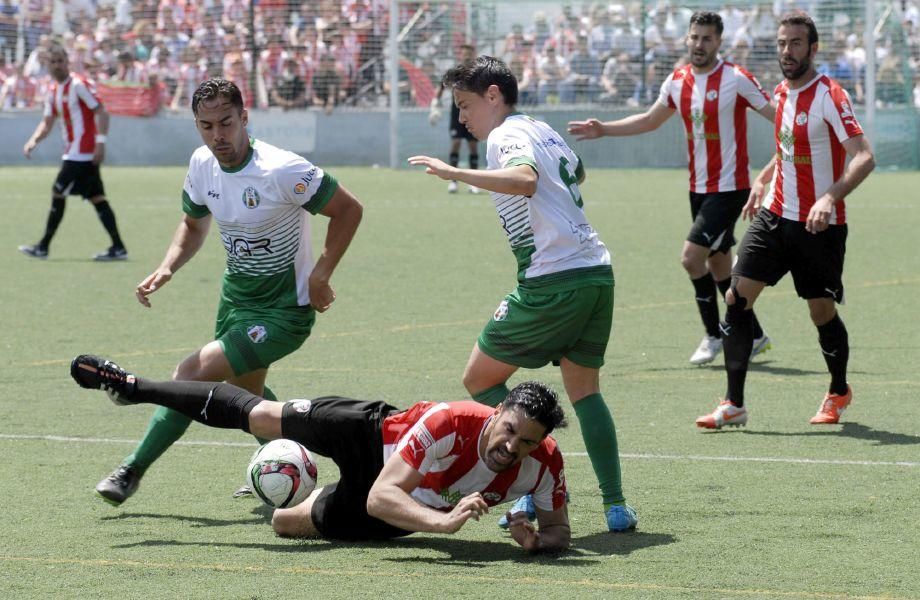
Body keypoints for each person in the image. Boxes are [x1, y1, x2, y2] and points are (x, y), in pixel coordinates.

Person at [94, 78, 363, 505]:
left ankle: (131, 468)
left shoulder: (281, 169)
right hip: (235, 301)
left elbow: (348, 209)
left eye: (226, 123)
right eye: (206, 126)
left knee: (189, 375)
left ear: (244, 118)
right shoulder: (202, 164)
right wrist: (167, 267)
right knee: (247, 398)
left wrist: (320, 274)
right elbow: (193, 224)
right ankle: (294, 467)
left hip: (283, 313)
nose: (217, 135)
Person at [408, 55, 637, 533]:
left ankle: (534, 483)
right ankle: (615, 506)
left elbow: (526, 181)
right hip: (596, 273)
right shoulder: (540, 128)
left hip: (553, 281)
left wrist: (457, 173)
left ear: (494, 96)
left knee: (479, 379)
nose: (463, 116)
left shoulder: (505, 135)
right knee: (586, 393)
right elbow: (576, 172)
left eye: (466, 105)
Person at [71, 355, 571, 553]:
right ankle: (136, 387)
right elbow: (381, 494)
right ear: (497, 411)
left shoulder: (544, 464)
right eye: (509, 430)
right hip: (369, 435)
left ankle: (288, 486)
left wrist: (536, 542)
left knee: (283, 525)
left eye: (527, 441)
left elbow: (559, 531)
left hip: (393, 508)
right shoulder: (449, 422)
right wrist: (445, 523)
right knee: (263, 415)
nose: (513, 446)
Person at [695, 12, 875, 429]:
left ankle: (838, 390)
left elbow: (864, 156)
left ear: (813, 49)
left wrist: (829, 197)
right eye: (781, 43)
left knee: (820, 311)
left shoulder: (830, 95)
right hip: (775, 217)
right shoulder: (780, 92)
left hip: (819, 227)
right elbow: (786, 146)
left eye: (795, 43)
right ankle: (734, 403)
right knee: (737, 299)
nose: (786, 51)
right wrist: (762, 179)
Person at [568, 11, 775, 367]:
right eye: (694, 37)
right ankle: (753, 334)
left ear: (719, 42)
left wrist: (798, 145)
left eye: (707, 38)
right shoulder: (678, 81)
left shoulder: (736, 79)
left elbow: (778, 115)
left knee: (691, 258)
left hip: (730, 188)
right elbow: (650, 119)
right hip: (698, 188)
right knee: (719, 262)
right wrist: (605, 129)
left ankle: (716, 335)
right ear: (687, 39)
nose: (699, 44)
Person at [19, 43, 128, 261]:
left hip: (82, 153)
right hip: (74, 152)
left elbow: (102, 112)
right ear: (47, 65)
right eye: (53, 62)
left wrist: (101, 142)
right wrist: (33, 141)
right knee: (97, 197)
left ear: (68, 62)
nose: (57, 65)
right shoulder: (53, 91)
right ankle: (118, 247)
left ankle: (43, 246)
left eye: (61, 61)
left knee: (57, 192)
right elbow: (47, 122)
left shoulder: (79, 84)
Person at [428, 44, 481, 194]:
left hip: (473, 113)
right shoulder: (454, 72)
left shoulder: (478, 73)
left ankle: (474, 183)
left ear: (473, 54)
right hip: (456, 113)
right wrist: (434, 104)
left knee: (472, 146)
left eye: (469, 53)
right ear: (460, 55)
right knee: (456, 143)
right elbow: (441, 87)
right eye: (464, 53)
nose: (466, 56)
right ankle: (453, 182)